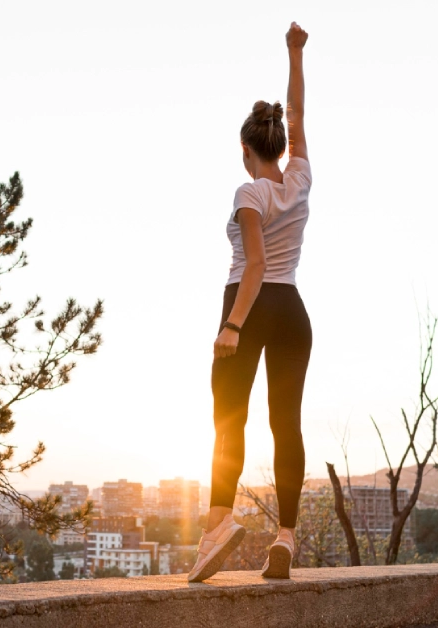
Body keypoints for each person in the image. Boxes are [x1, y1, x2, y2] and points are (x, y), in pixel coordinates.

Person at [188, 22, 312, 583]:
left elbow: (255, 265)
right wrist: (294, 52)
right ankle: (285, 538)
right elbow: (298, 112)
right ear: (282, 146)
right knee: (285, 424)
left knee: (227, 421)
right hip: (294, 312)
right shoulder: (300, 179)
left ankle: (218, 527)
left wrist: (232, 326)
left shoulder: (248, 192)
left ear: (245, 150)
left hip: (250, 303)